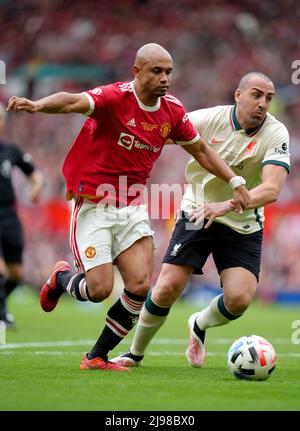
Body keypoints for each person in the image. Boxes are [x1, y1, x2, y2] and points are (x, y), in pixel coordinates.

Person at [7, 43, 249, 371]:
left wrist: (234, 180)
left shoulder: (173, 111)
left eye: (169, 72)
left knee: (139, 286)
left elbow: (202, 150)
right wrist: (37, 105)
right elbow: (73, 101)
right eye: (157, 71)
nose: (165, 78)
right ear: (137, 72)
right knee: (99, 290)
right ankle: (62, 278)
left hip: (132, 205)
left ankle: (96, 356)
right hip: (93, 203)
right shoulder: (114, 98)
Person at [111, 72, 290, 368]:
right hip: (197, 211)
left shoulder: (275, 133)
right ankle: (135, 352)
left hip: (243, 221)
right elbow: (160, 131)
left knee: (239, 299)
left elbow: (271, 189)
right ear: (238, 95)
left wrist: (226, 206)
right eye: (256, 95)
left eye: (268, 98)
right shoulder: (209, 119)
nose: (263, 104)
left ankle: (199, 324)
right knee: (168, 287)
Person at [0, 102, 44, 327]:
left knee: (16, 273)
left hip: (9, 215)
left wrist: (36, 187)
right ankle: (2, 315)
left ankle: (1, 307)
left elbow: (34, 172)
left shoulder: (10, 151)